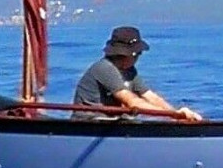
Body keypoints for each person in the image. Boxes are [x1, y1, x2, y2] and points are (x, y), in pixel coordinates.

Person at [73, 25, 202, 122]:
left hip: (112, 120)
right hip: (90, 122)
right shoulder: (104, 68)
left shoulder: (130, 70)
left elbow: (151, 96)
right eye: (138, 54)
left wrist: (176, 116)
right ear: (126, 54)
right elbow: (133, 102)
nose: (138, 57)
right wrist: (172, 115)